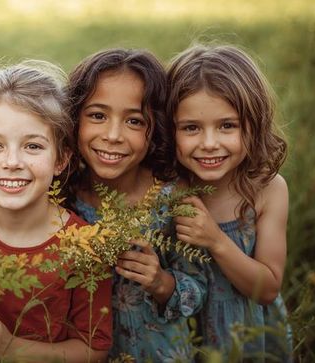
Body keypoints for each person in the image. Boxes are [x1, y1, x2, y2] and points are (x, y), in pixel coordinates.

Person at [0, 62, 112, 362]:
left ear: (61, 159)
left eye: (33, 146)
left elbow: (93, 350)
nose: (12, 161)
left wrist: (11, 349)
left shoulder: (85, 246)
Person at [66, 48, 208, 361]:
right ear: (74, 119)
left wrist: (160, 282)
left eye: (134, 120)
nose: (113, 135)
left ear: (156, 128)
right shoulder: (63, 198)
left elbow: (198, 290)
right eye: (98, 116)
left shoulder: (172, 199)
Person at [167, 44, 291, 361]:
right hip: (181, 333)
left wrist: (215, 240)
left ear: (254, 123)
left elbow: (267, 289)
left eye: (227, 125)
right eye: (191, 128)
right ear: (169, 130)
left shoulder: (267, 190)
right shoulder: (166, 187)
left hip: (245, 335)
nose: (209, 144)